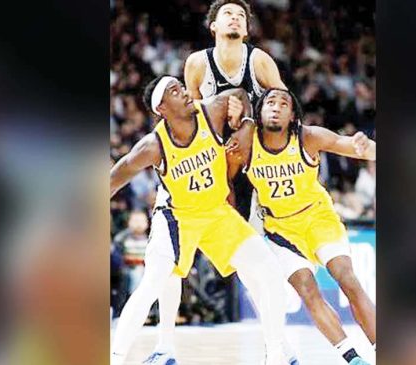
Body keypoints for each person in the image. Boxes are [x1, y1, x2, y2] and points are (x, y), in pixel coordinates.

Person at [145, 1, 293, 364]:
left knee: (259, 264)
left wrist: (248, 125)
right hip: (208, 169)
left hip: (252, 166)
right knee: (170, 257)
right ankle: (165, 345)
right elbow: (189, 119)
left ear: (247, 28)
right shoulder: (197, 64)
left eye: (241, 15)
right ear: (212, 26)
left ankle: (278, 347)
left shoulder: (258, 61)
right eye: (227, 13)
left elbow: (286, 102)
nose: (234, 17)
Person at [110, 75, 289, 365]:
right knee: (156, 279)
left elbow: (240, 93)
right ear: (161, 109)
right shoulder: (153, 145)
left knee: (267, 268)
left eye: (181, 86)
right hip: (177, 215)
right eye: (174, 91)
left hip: (216, 212)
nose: (183, 91)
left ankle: (277, 354)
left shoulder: (211, 110)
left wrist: (246, 126)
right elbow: (115, 177)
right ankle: (118, 358)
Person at [228, 88, 377, 365]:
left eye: (283, 103)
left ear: (293, 115)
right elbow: (225, 183)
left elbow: (353, 147)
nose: (276, 107)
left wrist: (365, 147)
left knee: (347, 278)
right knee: (307, 289)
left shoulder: (309, 137)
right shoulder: (246, 145)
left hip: (318, 217)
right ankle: (352, 358)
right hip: (280, 228)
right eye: (269, 102)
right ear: (258, 113)